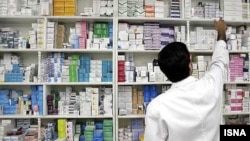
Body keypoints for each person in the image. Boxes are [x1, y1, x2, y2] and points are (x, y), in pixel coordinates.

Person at [144, 17, 228, 141]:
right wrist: (221, 31)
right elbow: (220, 60)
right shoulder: (211, 85)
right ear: (190, 63)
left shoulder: (157, 107)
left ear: (164, 72)